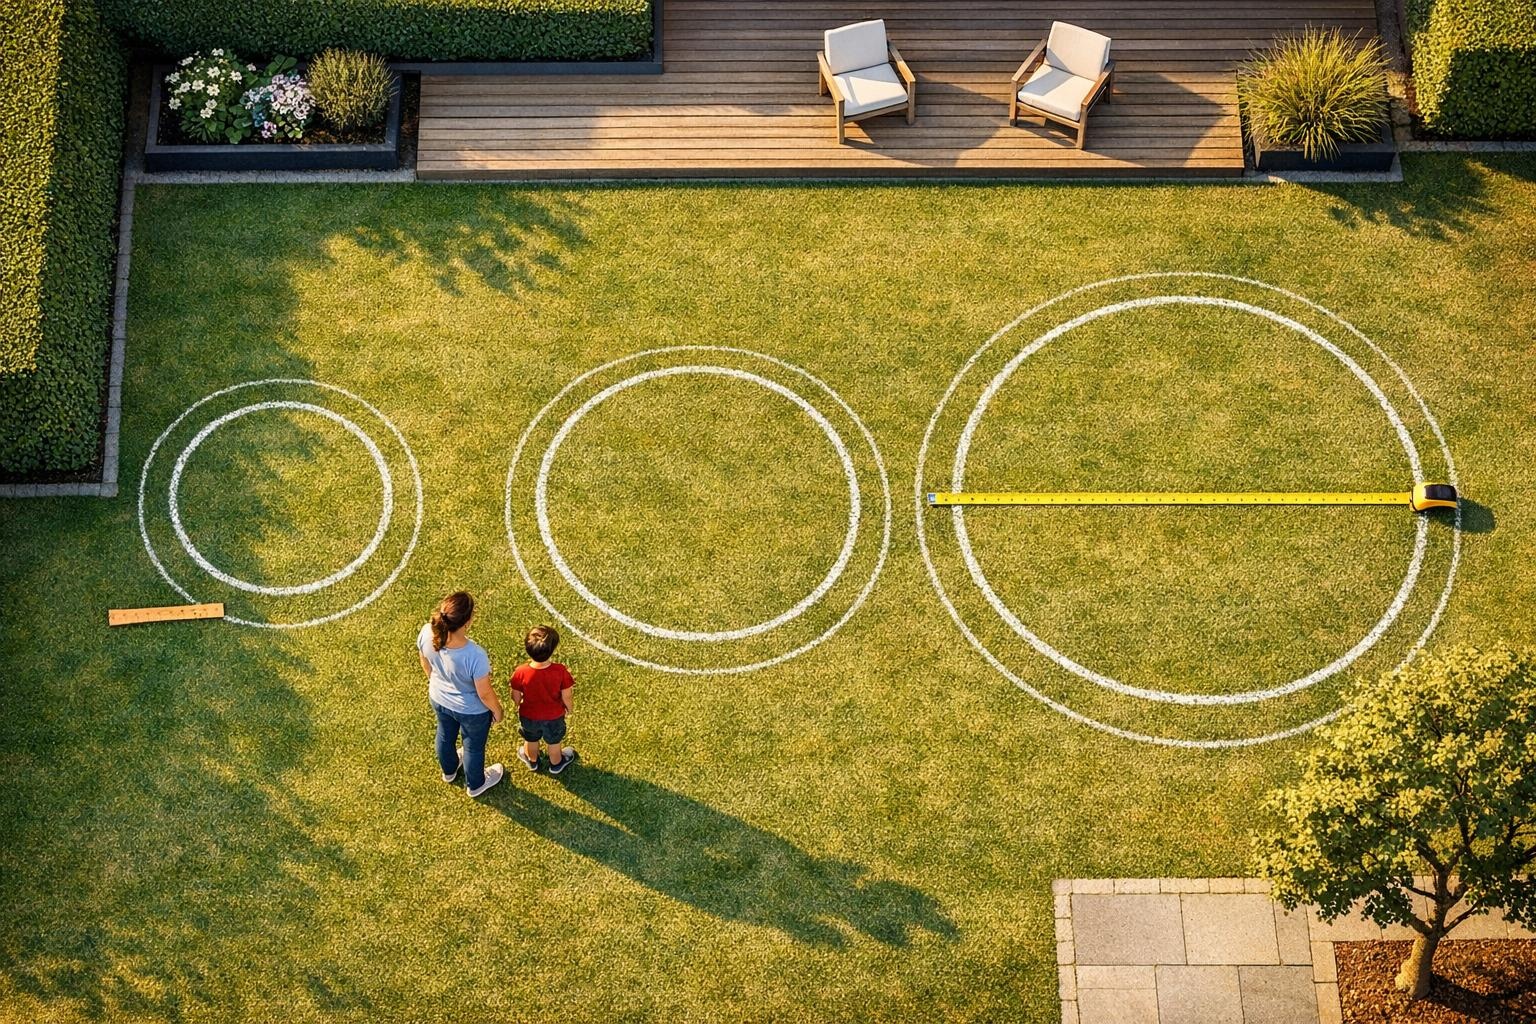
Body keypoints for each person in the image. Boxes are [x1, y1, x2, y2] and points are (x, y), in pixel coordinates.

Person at [417, 591, 505, 797]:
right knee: (473, 748)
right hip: (471, 712)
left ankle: (449, 771)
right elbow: (484, 693)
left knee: (444, 735)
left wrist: (436, 682)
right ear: (467, 621)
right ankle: (475, 785)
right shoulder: (475, 655)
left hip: (438, 698)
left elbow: (424, 661)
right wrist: (498, 711)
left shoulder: (427, 633)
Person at [509, 624, 577, 775]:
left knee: (531, 739)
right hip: (554, 717)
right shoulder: (560, 671)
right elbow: (567, 695)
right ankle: (556, 764)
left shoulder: (520, 672)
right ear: (552, 650)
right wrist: (569, 708)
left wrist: (518, 703)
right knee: (554, 742)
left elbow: (515, 695)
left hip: (529, 716)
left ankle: (532, 760)